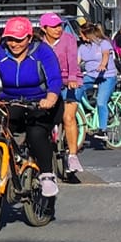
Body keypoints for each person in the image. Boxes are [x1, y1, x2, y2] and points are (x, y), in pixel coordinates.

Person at [0, 16, 66, 197]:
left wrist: (51, 97)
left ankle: (47, 175)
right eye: (10, 39)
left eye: (19, 39)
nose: (13, 44)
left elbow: (55, 79)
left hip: (41, 101)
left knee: (36, 133)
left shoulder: (43, 52)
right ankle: (1, 165)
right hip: (12, 100)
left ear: (29, 38)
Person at [39, 13, 84, 173]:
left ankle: (72, 156)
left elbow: (72, 59)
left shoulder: (69, 39)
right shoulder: (40, 44)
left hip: (68, 82)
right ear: (44, 29)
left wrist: (72, 78)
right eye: (54, 26)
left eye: (60, 26)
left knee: (68, 117)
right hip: (49, 85)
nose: (58, 29)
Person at [74, 22, 119, 145]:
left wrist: (103, 65)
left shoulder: (104, 43)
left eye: (81, 34)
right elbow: (76, 63)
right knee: (76, 90)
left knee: (101, 101)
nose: (80, 37)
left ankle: (103, 130)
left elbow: (105, 55)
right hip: (91, 76)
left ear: (87, 34)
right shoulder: (82, 47)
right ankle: (76, 114)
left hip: (106, 76)